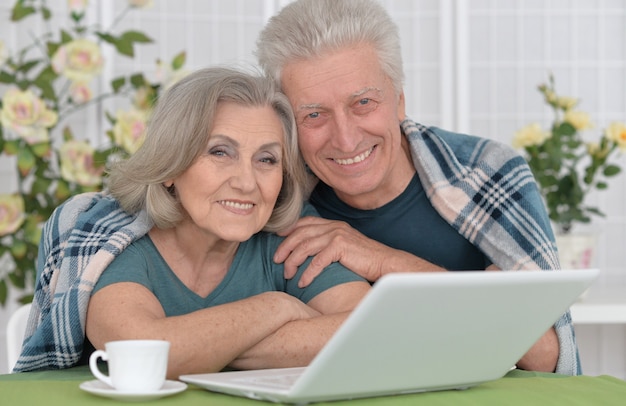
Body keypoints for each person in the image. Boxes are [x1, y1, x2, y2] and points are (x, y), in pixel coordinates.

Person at [256, 0, 579, 375]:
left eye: (363, 102)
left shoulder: (487, 172)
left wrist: (384, 262)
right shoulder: (273, 200)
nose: (345, 140)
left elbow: (547, 357)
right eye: (313, 115)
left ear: (399, 102)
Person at [14, 67, 370, 378]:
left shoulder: (291, 235)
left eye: (266, 159)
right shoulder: (112, 239)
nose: (247, 182)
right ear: (171, 166)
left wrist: (199, 346)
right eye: (220, 152)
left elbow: (370, 332)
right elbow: (141, 352)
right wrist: (277, 307)